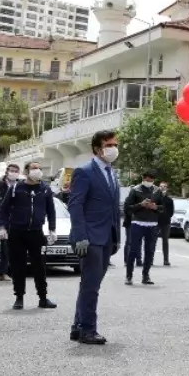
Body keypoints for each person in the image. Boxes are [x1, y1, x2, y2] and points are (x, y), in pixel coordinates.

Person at [68, 130, 122, 345]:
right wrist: (80, 235)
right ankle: (88, 329)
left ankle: (77, 326)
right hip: (89, 238)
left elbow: (113, 207)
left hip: (107, 237)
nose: (113, 149)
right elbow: (75, 205)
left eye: (115, 144)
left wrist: (116, 237)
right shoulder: (84, 172)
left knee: (90, 284)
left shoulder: (111, 173)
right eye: (109, 145)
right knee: (91, 286)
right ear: (97, 149)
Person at [0, 161, 58, 310]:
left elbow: (51, 210)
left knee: (39, 266)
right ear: (26, 171)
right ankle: (19, 297)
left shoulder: (45, 189)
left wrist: (52, 229)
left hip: (36, 232)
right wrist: (2, 226)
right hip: (17, 232)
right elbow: (3, 209)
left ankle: (43, 298)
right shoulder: (15, 188)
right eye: (33, 168)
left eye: (39, 168)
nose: (37, 171)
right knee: (18, 266)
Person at [122, 171, 163, 286]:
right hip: (137, 223)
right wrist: (140, 205)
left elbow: (163, 208)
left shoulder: (157, 191)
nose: (149, 183)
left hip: (152, 224)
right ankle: (129, 276)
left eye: (151, 181)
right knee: (133, 250)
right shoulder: (135, 190)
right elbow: (127, 208)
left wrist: (155, 207)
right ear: (143, 179)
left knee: (150, 251)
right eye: (148, 180)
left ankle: (146, 275)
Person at [0, 163, 20, 283]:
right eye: (11, 170)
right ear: (7, 172)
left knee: (6, 248)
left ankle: (3, 273)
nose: (13, 173)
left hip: (9, 221)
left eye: (16, 171)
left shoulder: (19, 186)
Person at [157, 181, 174, 267]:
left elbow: (171, 212)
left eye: (164, 186)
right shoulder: (156, 198)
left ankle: (166, 260)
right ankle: (150, 259)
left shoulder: (169, 200)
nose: (163, 188)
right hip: (156, 222)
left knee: (165, 241)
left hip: (166, 223)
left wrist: (166, 216)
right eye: (161, 186)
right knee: (152, 241)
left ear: (167, 189)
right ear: (158, 188)